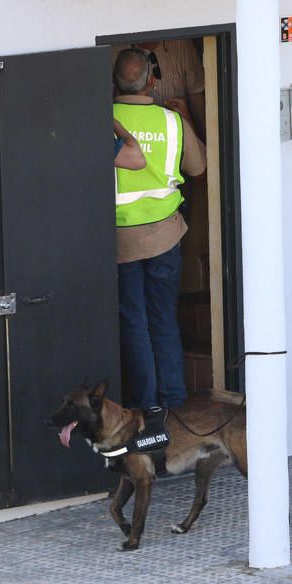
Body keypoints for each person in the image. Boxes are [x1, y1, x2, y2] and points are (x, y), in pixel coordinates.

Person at [112, 48, 206, 411]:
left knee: (133, 323)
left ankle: (147, 407)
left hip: (120, 240)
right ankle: (175, 404)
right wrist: (187, 121)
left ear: (113, 81)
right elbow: (198, 169)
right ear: (153, 80)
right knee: (163, 319)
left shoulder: (100, 117)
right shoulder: (171, 121)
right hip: (165, 238)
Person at [111, 40, 206, 141]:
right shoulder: (113, 50)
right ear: (152, 80)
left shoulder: (181, 45)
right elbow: (199, 154)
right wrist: (185, 123)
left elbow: (200, 111)